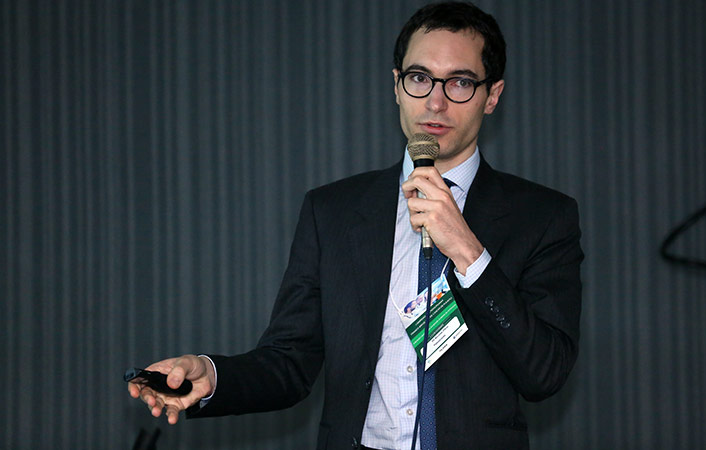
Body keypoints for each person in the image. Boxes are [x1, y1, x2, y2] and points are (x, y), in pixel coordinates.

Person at [128, 2, 583, 449]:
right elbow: (289, 362)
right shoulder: (334, 211)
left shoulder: (542, 217)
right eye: (420, 78)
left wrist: (468, 252)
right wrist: (211, 376)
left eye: (460, 82)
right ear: (397, 87)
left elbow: (544, 374)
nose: (436, 101)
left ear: (493, 96)